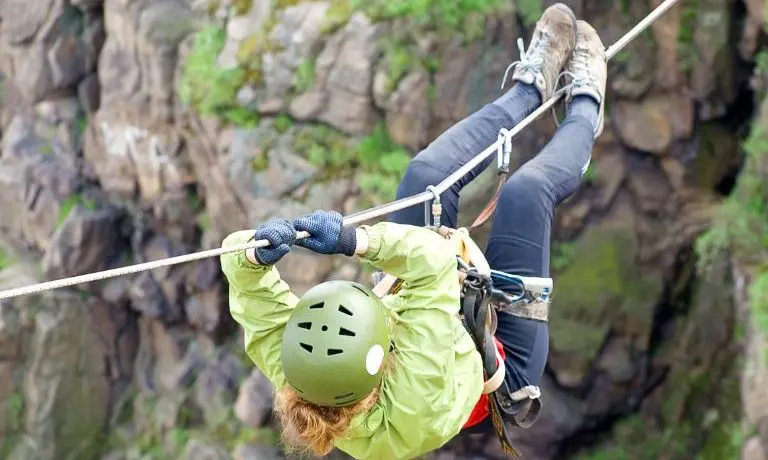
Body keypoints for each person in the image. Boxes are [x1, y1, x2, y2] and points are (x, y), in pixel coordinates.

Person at [220, 3, 608, 459]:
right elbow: (435, 264)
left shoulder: (300, 366)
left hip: (418, 311)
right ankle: (586, 108)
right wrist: (355, 241)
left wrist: (255, 254)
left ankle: (529, 90)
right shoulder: (413, 396)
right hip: (497, 365)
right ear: (377, 368)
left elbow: (248, 290)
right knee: (527, 193)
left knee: (425, 176)